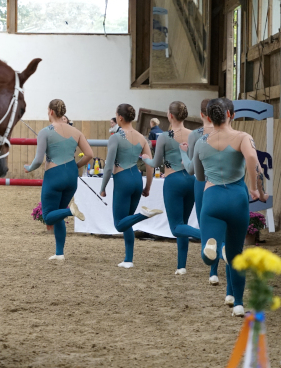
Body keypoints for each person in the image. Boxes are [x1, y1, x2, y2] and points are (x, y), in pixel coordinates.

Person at [192, 98, 267, 317]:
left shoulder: (200, 143)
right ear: (230, 115)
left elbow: (199, 176)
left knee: (207, 253)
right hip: (237, 198)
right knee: (237, 254)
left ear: (208, 117)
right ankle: (239, 304)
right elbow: (252, 157)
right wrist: (256, 189)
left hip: (212, 197)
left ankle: (212, 250)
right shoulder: (243, 137)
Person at [25, 99, 93, 260]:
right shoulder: (76, 132)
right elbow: (89, 154)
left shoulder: (45, 132)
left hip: (54, 175)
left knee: (48, 215)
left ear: (51, 112)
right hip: (71, 175)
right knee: (58, 215)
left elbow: (38, 160)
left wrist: (29, 168)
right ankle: (59, 253)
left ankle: (71, 211)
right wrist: (76, 166)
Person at [100, 104, 163, 269]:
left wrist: (103, 187)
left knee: (119, 224)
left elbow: (108, 166)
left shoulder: (115, 137)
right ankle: (128, 259)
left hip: (122, 179)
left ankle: (143, 214)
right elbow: (150, 165)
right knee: (128, 221)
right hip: (137, 179)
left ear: (120, 118)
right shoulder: (142, 138)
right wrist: (148, 187)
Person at [142, 101, 200, 275]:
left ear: (170, 116)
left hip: (173, 180)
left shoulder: (164, 137)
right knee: (183, 224)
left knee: (176, 227)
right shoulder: (193, 135)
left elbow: (156, 163)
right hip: (191, 180)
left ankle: (208, 236)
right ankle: (181, 266)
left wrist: (145, 158)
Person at [181, 99, 229, 289]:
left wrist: (183, 153)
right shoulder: (229, 133)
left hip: (203, 183)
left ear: (202, 114)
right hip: (225, 180)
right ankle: (225, 259)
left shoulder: (195, 135)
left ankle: (213, 272)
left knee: (207, 228)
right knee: (225, 226)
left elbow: (192, 168)